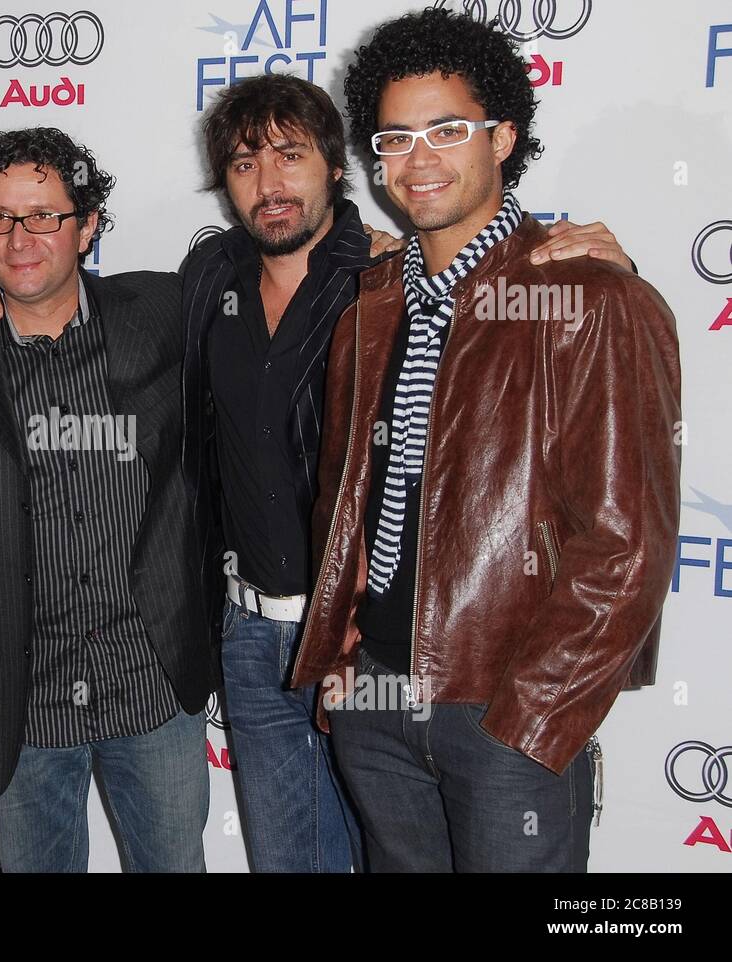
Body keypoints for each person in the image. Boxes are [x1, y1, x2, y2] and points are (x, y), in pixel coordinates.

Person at [0, 85, 633, 871]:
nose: (269, 182)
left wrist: (599, 266)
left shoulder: (392, 279)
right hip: (249, 641)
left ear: (336, 167)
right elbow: (76, 297)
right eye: (245, 163)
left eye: (290, 155)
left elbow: (525, 326)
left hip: (363, 641)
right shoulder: (207, 276)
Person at [291, 6, 681, 872]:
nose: (418, 159)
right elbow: (354, 502)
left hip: (501, 710)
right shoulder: (373, 305)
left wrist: (531, 719)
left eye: (447, 130)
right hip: (375, 703)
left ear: (503, 138)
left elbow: (629, 544)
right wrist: (345, 654)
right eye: (395, 139)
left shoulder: (589, 298)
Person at [0, 128, 214, 872]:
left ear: (88, 225)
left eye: (43, 216)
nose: (19, 239)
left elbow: (263, 260)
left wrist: (363, 243)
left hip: (153, 682)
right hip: (20, 697)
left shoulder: (161, 312)